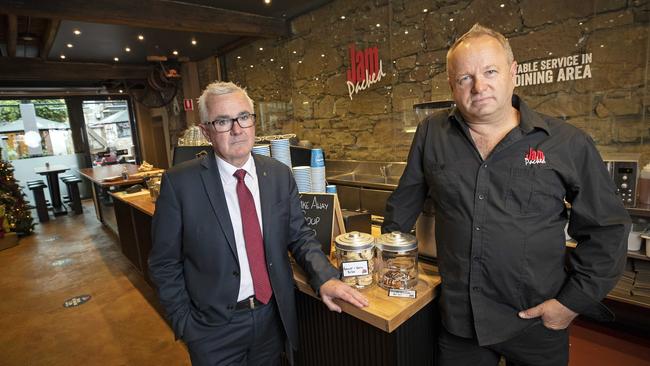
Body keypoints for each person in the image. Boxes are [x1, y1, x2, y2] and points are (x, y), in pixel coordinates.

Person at [383, 24, 630, 366]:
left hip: (536, 322)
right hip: (459, 321)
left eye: (490, 71)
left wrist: (570, 303)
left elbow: (608, 228)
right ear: (452, 85)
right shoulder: (431, 133)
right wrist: (385, 260)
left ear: (513, 72)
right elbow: (405, 202)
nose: (479, 86)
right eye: (465, 78)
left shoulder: (566, 142)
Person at [149, 81, 368, 366]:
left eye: (243, 117)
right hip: (212, 330)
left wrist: (325, 277)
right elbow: (164, 263)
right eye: (223, 121)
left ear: (254, 122)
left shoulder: (278, 175)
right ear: (205, 131)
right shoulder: (179, 184)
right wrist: (186, 325)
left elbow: (299, 236)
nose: (237, 129)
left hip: (270, 318)